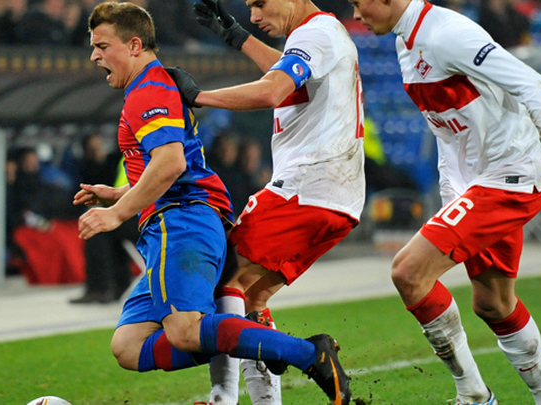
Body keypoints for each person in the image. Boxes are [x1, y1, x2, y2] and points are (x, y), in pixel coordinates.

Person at [75, 3, 350, 405]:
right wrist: (119, 194)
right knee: (129, 346)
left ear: (134, 45)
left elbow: (171, 162)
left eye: (102, 46)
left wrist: (116, 213)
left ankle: (308, 354)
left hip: (181, 221)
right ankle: (250, 346)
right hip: (179, 218)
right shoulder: (149, 86)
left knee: (186, 331)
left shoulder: (147, 90)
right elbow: (171, 165)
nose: (94, 56)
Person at [350, 0, 541, 404]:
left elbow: (533, 86)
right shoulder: (406, 42)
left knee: (409, 272)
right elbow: (448, 130)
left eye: (358, 2)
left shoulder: (448, 34)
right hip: (476, 183)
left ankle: (474, 394)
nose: (355, 14)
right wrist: (453, 192)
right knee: (493, 303)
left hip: (509, 176)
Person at [167, 0, 365, 404]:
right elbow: (287, 75)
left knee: (225, 281)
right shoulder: (324, 33)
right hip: (338, 200)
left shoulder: (313, 34)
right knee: (252, 298)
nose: (254, 15)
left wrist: (198, 97)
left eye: (259, 3)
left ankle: (225, 396)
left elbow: (274, 89)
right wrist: (239, 38)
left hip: (306, 189)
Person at [70, 134, 140, 304]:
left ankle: (101, 288)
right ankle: (114, 285)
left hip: (148, 216)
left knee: (99, 227)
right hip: (136, 212)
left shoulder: (144, 155)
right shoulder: (125, 157)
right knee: (103, 226)